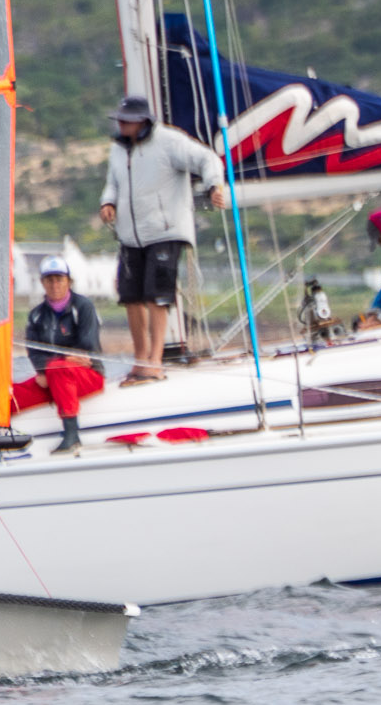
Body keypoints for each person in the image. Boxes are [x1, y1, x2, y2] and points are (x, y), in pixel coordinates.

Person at [95, 96, 224, 383]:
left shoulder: (169, 141)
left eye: (126, 120)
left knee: (157, 295)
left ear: (142, 121)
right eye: (119, 119)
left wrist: (214, 184)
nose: (120, 124)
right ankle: (141, 358)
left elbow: (207, 159)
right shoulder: (118, 148)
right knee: (130, 297)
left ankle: (155, 359)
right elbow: (113, 182)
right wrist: (108, 202)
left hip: (166, 230)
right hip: (131, 235)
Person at [13, 256, 106, 454]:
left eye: (59, 279)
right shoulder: (36, 315)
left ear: (68, 281)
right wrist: (45, 370)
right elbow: (34, 352)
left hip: (88, 375)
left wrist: (56, 364)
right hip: (50, 377)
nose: (54, 284)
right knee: (11, 394)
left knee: (59, 369)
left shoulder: (83, 306)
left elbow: (87, 344)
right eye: (49, 280)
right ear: (42, 282)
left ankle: (72, 435)